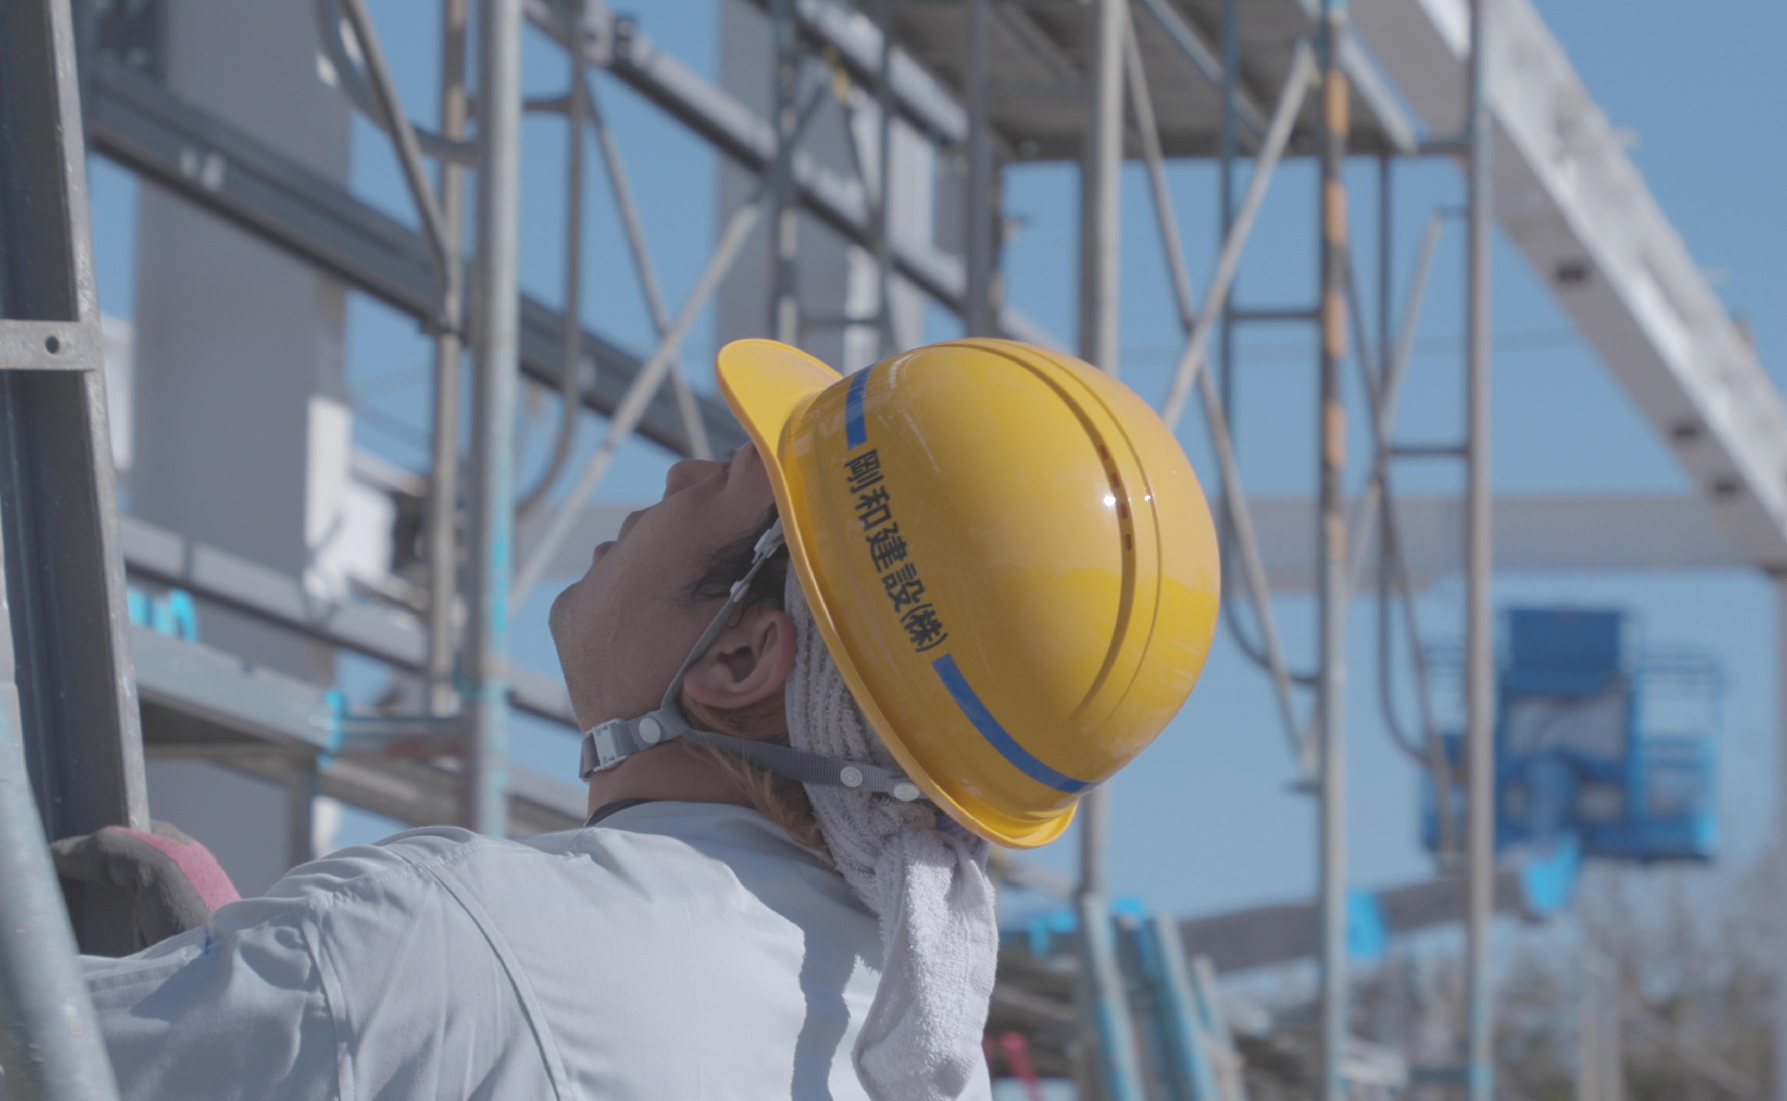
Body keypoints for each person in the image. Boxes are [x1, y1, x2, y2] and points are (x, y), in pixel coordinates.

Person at [28, 338, 1219, 1100]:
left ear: (740, 656)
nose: (680, 475)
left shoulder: (440, 948)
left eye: (739, 475)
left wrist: (301, 985)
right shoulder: (884, 1030)